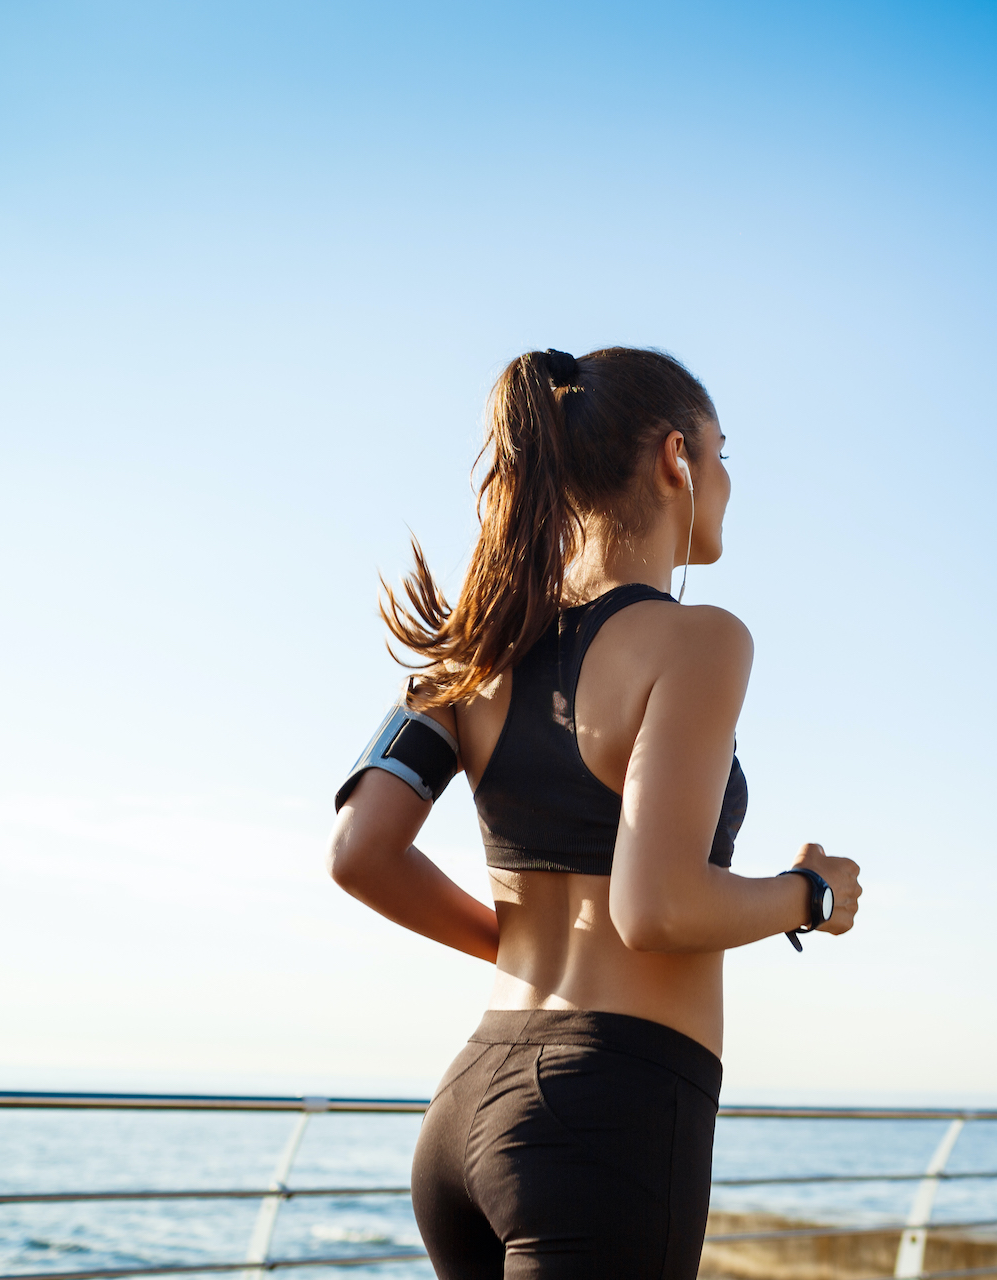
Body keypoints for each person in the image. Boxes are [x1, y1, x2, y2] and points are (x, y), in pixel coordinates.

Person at [326, 347, 862, 1280]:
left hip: (466, 1106)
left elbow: (361, 852)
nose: (730, 480)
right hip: (607, 1114)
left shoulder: (476, 643)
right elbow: (654, 911)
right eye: (722, 451)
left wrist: (518, 944)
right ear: (673, 459)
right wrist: (810, 894)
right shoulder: (700, 640)